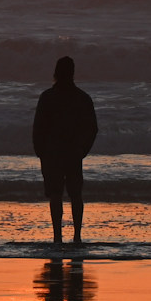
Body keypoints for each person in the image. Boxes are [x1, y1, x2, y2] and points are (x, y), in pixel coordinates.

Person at [31, 55, 98, 246]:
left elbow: (38, 127)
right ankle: (76, 235)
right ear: (72, 73)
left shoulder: (48, 97)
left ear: (55, 73)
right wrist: (83, 149)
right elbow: (92, 128)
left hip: (52, 152)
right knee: (75, 194)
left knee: (55, 194)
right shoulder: (82, 98)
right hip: (73, 152)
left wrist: (39, 150)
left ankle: (57, 237)